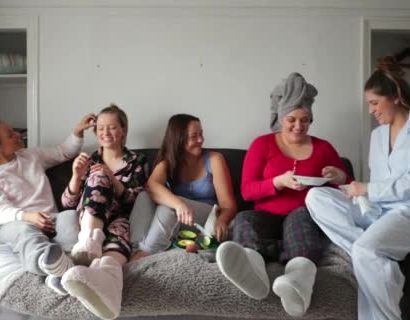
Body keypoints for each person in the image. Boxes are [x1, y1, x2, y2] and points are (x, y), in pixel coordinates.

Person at [305, 56, 410, 320]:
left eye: (374, 103)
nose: (371, 110)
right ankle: (378, 261)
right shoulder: (377, 136)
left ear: (395, 96)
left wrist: (368, 189)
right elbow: (380, 183)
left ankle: (373, 262)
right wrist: (347, 182)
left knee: (365, 250)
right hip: (380, 210)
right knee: (316, 196)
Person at [215, 72, 351, 317]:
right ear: (280, 117)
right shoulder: (262, 144)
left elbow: (348, 191)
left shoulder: (324, 148)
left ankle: (298, 283)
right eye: (292, 119)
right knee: (245, 219)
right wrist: (277, 182)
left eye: (305, 120)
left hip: (304, 217)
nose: (298, 126)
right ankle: (253, 272)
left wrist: (340, 178)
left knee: (301, 215)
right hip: (266, 215)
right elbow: (247, 191)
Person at [0, 114, 95, 294]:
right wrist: (26, 216)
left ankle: (62, 269)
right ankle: (48, 264)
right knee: (25, 230)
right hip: (14, 226)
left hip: (50, 219)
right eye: (9, 134)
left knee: (69, 217)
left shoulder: (31, 156)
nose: (17, 134)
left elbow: (64, 151)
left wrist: (78, 131)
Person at [59, 104, 149, 320]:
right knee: (97, 177)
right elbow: (67, 203)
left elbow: (135, 201)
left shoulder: (138, 161)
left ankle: (108, 294)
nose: (105, 133)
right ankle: (89, 241)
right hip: (89, 219)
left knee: (118, 239)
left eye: (112, 127)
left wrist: (112, 177)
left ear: (123, 130)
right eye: (100, 128)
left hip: (119, 219)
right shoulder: (90, 161)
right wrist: (76, 176)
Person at [128, 113, 238, 261]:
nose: (201, 140)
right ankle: (135, 249)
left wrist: (222, 221)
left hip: (206, 219)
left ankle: (145, 254)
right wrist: (180, 205)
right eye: (194, 137)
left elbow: (228, 205)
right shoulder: (168, 162)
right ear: (178, 139)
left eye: (201, 134)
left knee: (168, 206)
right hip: (180, 219)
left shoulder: (214, 159)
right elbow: (151, 185)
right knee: (144, 196)